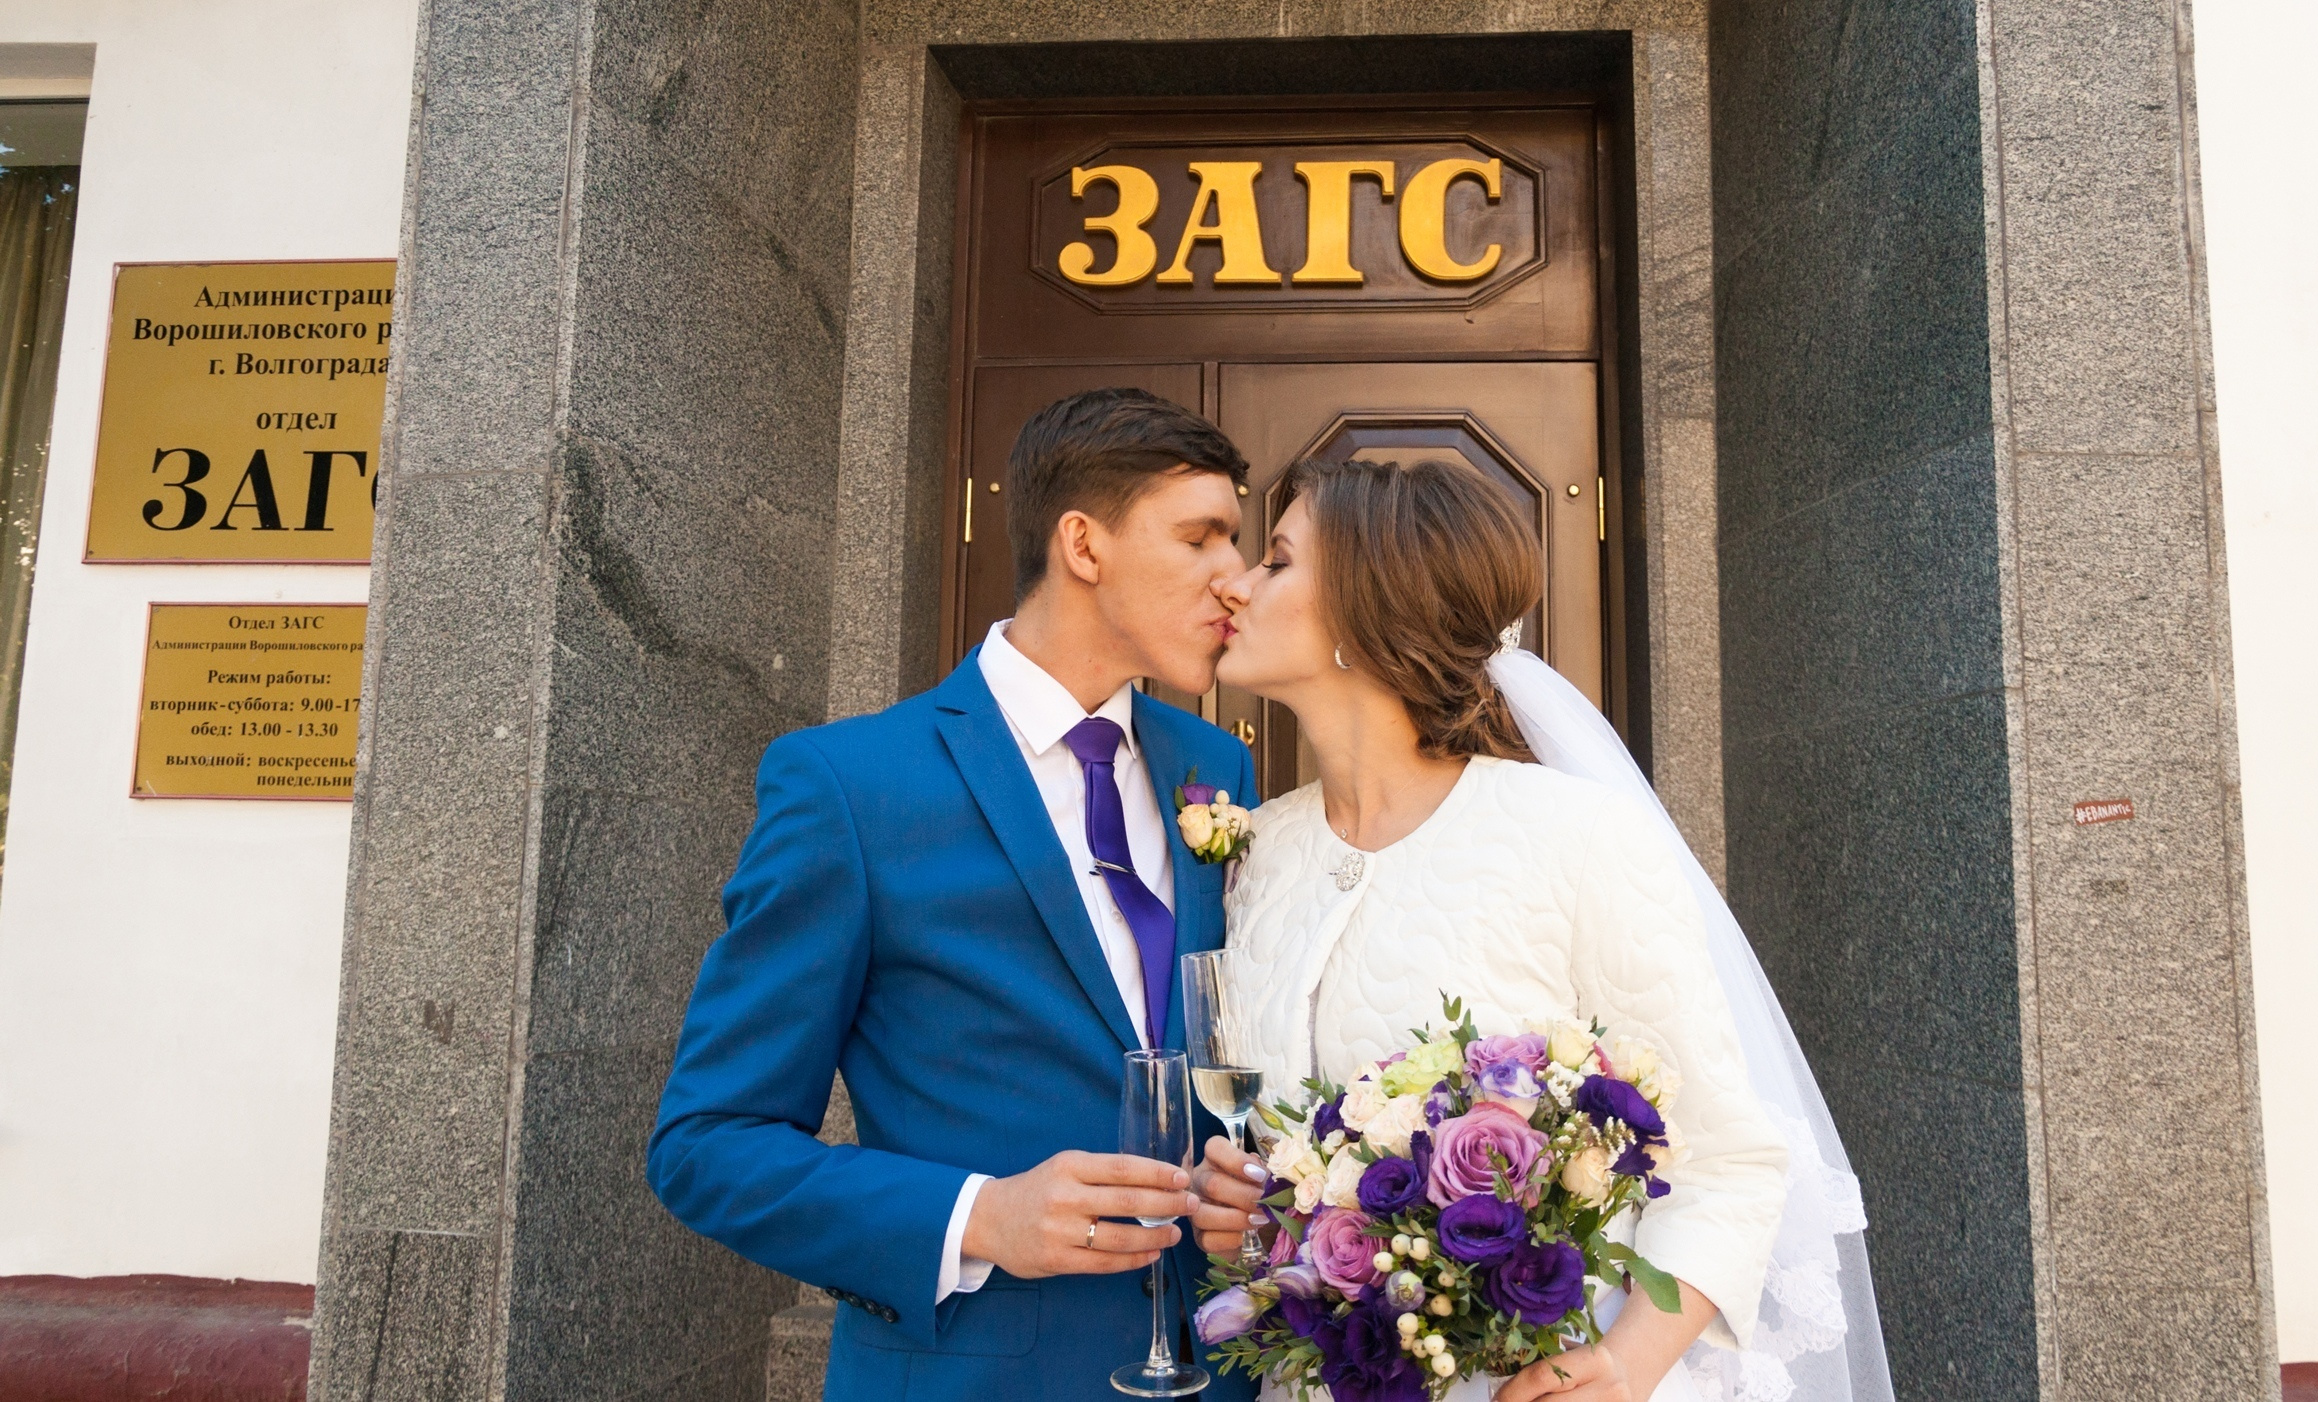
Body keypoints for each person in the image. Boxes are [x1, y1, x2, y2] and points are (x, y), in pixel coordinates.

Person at [1192, 459, 1892, 1402]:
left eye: (1276, 560)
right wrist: (1242, 1207)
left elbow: (1731, 1153)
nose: (1234, 581)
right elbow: (1278, 1155)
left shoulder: (1573, 835)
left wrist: (1629, 1364)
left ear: (1368, 611)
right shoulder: (1263, 850)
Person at [650, 389, 1267, 1401]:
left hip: (1218, 1375)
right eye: (1201, 538)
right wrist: (979, 1215)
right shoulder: (849, 786)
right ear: (1083, 542)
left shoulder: (1215, 769)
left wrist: (1244, 1179)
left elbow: (1219, 1060)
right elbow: (708, 1144)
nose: (1235, 581)